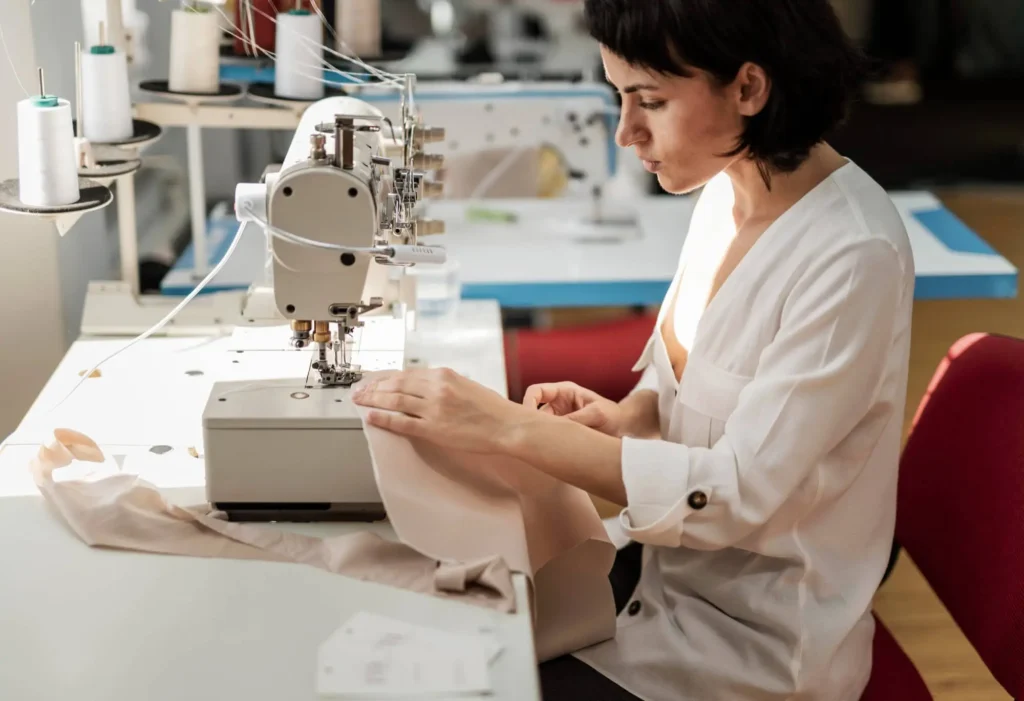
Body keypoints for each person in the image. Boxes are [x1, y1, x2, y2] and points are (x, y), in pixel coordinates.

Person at [353, 0, 915, 698]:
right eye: (620, 96)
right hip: (660, 576)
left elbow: (732, 495)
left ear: (748, 88)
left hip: (754, 647)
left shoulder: (851, 253)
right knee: (429, 632)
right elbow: (688, 376)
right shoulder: (723, 192)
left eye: (650, 100)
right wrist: (634, 415)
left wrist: (508, 426)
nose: (626, 132)